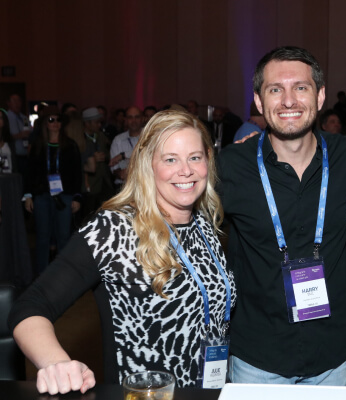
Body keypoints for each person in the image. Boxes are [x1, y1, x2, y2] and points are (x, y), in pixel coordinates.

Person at [9, 110, 235, 394]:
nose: (185, 170)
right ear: (147, 165)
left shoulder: (203, 223)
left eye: (195, 157)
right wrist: (56, 363)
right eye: (170, 159)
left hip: (210, 391)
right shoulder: (114, 228)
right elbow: (31, 305)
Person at [217, 46, 346, 385]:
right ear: (259, 102)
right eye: (276, 89)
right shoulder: (231, 166)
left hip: (331, 356)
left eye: (300, 88)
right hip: (258, 357)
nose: (289, 101)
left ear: (319, 97)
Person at [23, 107, 82, 274]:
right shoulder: (38, 146)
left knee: (63, 237)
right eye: (51, 120)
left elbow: (77, 173)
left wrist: (77, 197)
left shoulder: (70, 145)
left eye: (58, 120)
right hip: (42, 196)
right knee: (42, 238)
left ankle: (62, 276)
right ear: (45, 124)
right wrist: (28, 195)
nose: (55, 123)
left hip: (65, 196)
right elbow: (29, 173)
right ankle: (42, 276)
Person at [109, 106, 143, 190]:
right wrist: (120, 173)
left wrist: (123, 156)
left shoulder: (149, 136)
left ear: (142, 119)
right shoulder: (118, 140)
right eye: (130, 117)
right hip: (124, 186)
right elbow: (113, 167)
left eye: (137, 117)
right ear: (126, 120)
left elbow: (147, 154)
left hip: (145, 185)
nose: (134, 121)